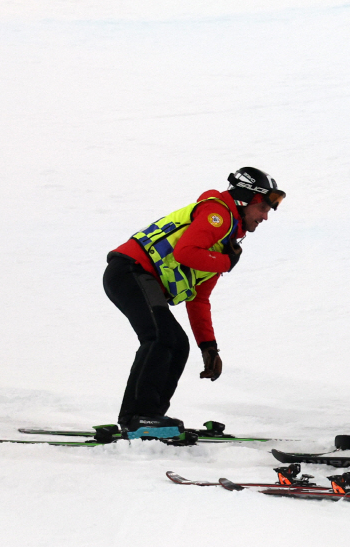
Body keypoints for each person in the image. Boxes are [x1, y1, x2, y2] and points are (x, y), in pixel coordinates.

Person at [103, 167, 284, 438]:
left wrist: (208, 346)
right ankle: (136, 418)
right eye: (263, 208)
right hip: (130, 272)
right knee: (159, 337)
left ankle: (151, 417)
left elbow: (199, 298)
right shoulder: (217, 214)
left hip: (140, 278)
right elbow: (185, 252)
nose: (265, 217)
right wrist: (226, 262)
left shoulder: (225, 242)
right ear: (246, 200)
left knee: (177, 343)